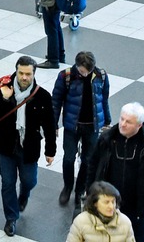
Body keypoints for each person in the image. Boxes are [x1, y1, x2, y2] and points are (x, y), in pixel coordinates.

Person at [0, 56, 57, 237]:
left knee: (29, 181)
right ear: (16, 71)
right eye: (21, 73)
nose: (24, 77)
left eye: (28, 74)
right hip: (6, 145)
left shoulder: (42, 96)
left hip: (29, 146)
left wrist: (51, 151)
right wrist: (4, 98)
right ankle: (11, 218)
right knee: (8, 182)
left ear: (34, 74)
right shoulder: (4, 88)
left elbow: (50, 125)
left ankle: (24, 196)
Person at [87, 102, 144, 242]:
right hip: (108, 204)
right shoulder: (106, 139)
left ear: (139, 125)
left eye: (128, 122)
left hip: (138, 209)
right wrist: (90, 194)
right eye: (122, 119)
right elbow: (92, 166)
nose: (122, 124)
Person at [53, 50, 112, 209]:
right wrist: (53, 124)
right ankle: (67, 187)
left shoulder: (101, 76)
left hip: (92, 127)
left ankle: (80, 190)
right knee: (69, 158)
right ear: (77, 66)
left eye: (88, 71)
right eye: (82, 71)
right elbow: (56, 101)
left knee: (87, 161)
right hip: (73, 126)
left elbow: (104, 99)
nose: (85, 74)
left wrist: (107, 120)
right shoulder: (66, 76)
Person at [67, 181, 135, 242]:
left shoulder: (125, 223)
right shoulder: (80, 222)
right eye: (106, 202)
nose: (111, 206)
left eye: (113, 202)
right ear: (95, 203)